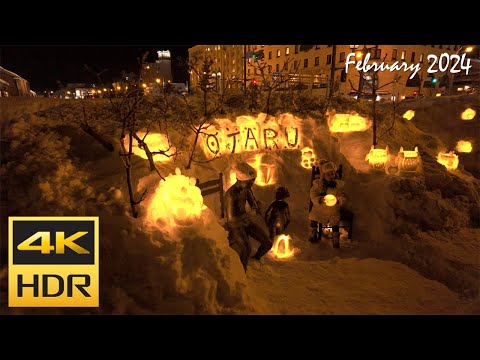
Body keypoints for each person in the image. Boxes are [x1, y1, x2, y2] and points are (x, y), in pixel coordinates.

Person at [224, 162, 272, 272]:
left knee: (267, 243)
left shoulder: (246, 189)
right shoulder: (230, 195)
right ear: (240, 180)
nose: (251, 185)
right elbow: (231, 219)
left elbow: (253, 204)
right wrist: (250, 214)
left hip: (245, 221)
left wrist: (256, 207)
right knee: (246, 249)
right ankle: (241, 273)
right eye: (249, 182)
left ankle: (255, 259)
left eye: (252, 182)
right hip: (235, 225)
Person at [308, 161, 345, 248]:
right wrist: (320, 199)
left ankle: (335, 239)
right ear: (324, 175)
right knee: (314, 216)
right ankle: (313, 234)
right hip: (320, 207)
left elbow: (342, 196)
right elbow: (313, 194)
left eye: (332, 174)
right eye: (328, 174)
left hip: (333, 209)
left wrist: (338, 200)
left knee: (335, 220)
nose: (330, 176)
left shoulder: (338, 185)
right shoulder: (318, 184)